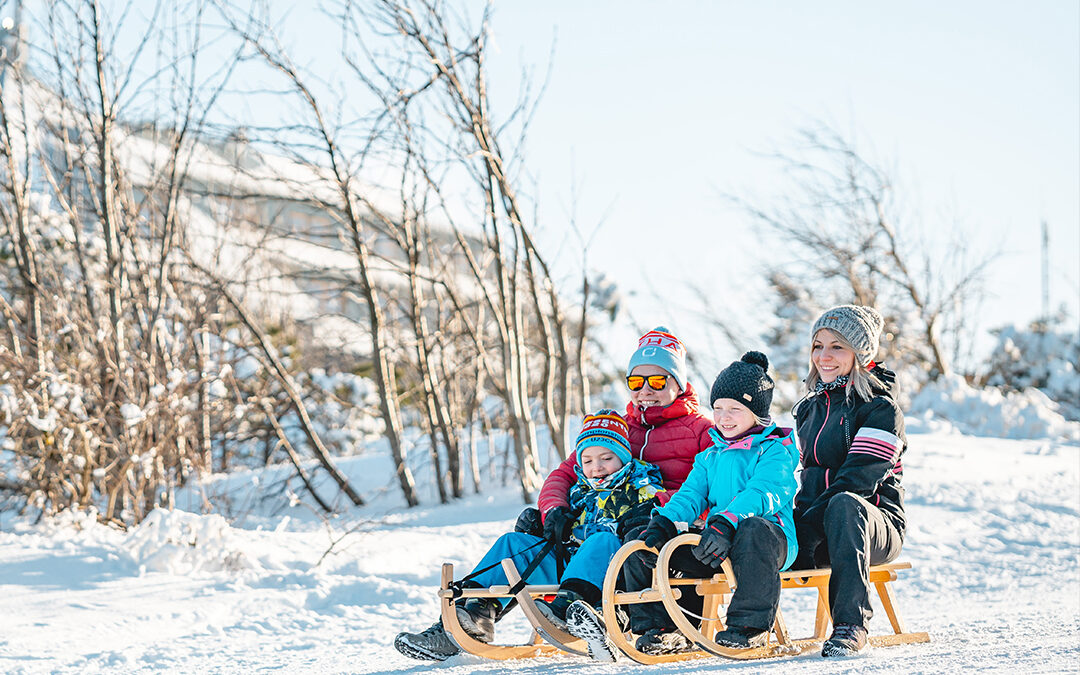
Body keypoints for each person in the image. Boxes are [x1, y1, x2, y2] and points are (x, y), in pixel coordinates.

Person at [571, 351, 800, 656]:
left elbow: (763, 492)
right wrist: (664, 522)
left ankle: (749, 628)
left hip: (768, 539)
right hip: (719, 540)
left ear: (756, 413)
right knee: (650, 542)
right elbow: (690, 495)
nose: (723, 418)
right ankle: (663, 628)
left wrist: (726, 521)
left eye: (734, 409)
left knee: (752, 529)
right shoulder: (710, 456)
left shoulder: (776, 450)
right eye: (718, 409)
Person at [393, 409, 665, 662]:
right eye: (588, 460)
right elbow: (557, 516)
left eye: (607, 458)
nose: (597, 467)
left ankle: (571, 612)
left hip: (610, 574)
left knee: (601, 539)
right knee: (512, 543)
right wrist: (544, 524)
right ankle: (471, 616)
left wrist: (644, 518)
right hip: (569, 565)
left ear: (624, 457)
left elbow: (660, 514)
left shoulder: (642, 486)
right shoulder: (578, 491)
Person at [792, 305, 907, 657]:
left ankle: (850, 625)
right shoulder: (810, 410)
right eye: (817, 346)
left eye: (837, 347)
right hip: (820, 527)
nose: (823, 356)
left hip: (873, 526)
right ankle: (746, 625)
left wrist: (806, 526)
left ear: (861, 354)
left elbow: (858, 479)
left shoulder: (881, 410)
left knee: (844, 504)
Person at [538, 326, 714, 543]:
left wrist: (658, 506)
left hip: (667, 534)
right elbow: (565, 474)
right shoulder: (616, 429)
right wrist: (553, 508)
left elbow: (715, 491)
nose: (645, 390)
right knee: (523, 541)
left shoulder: (703, 431)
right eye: (636, 382)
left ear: (678, 385)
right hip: (603, 529)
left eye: (657, 381)